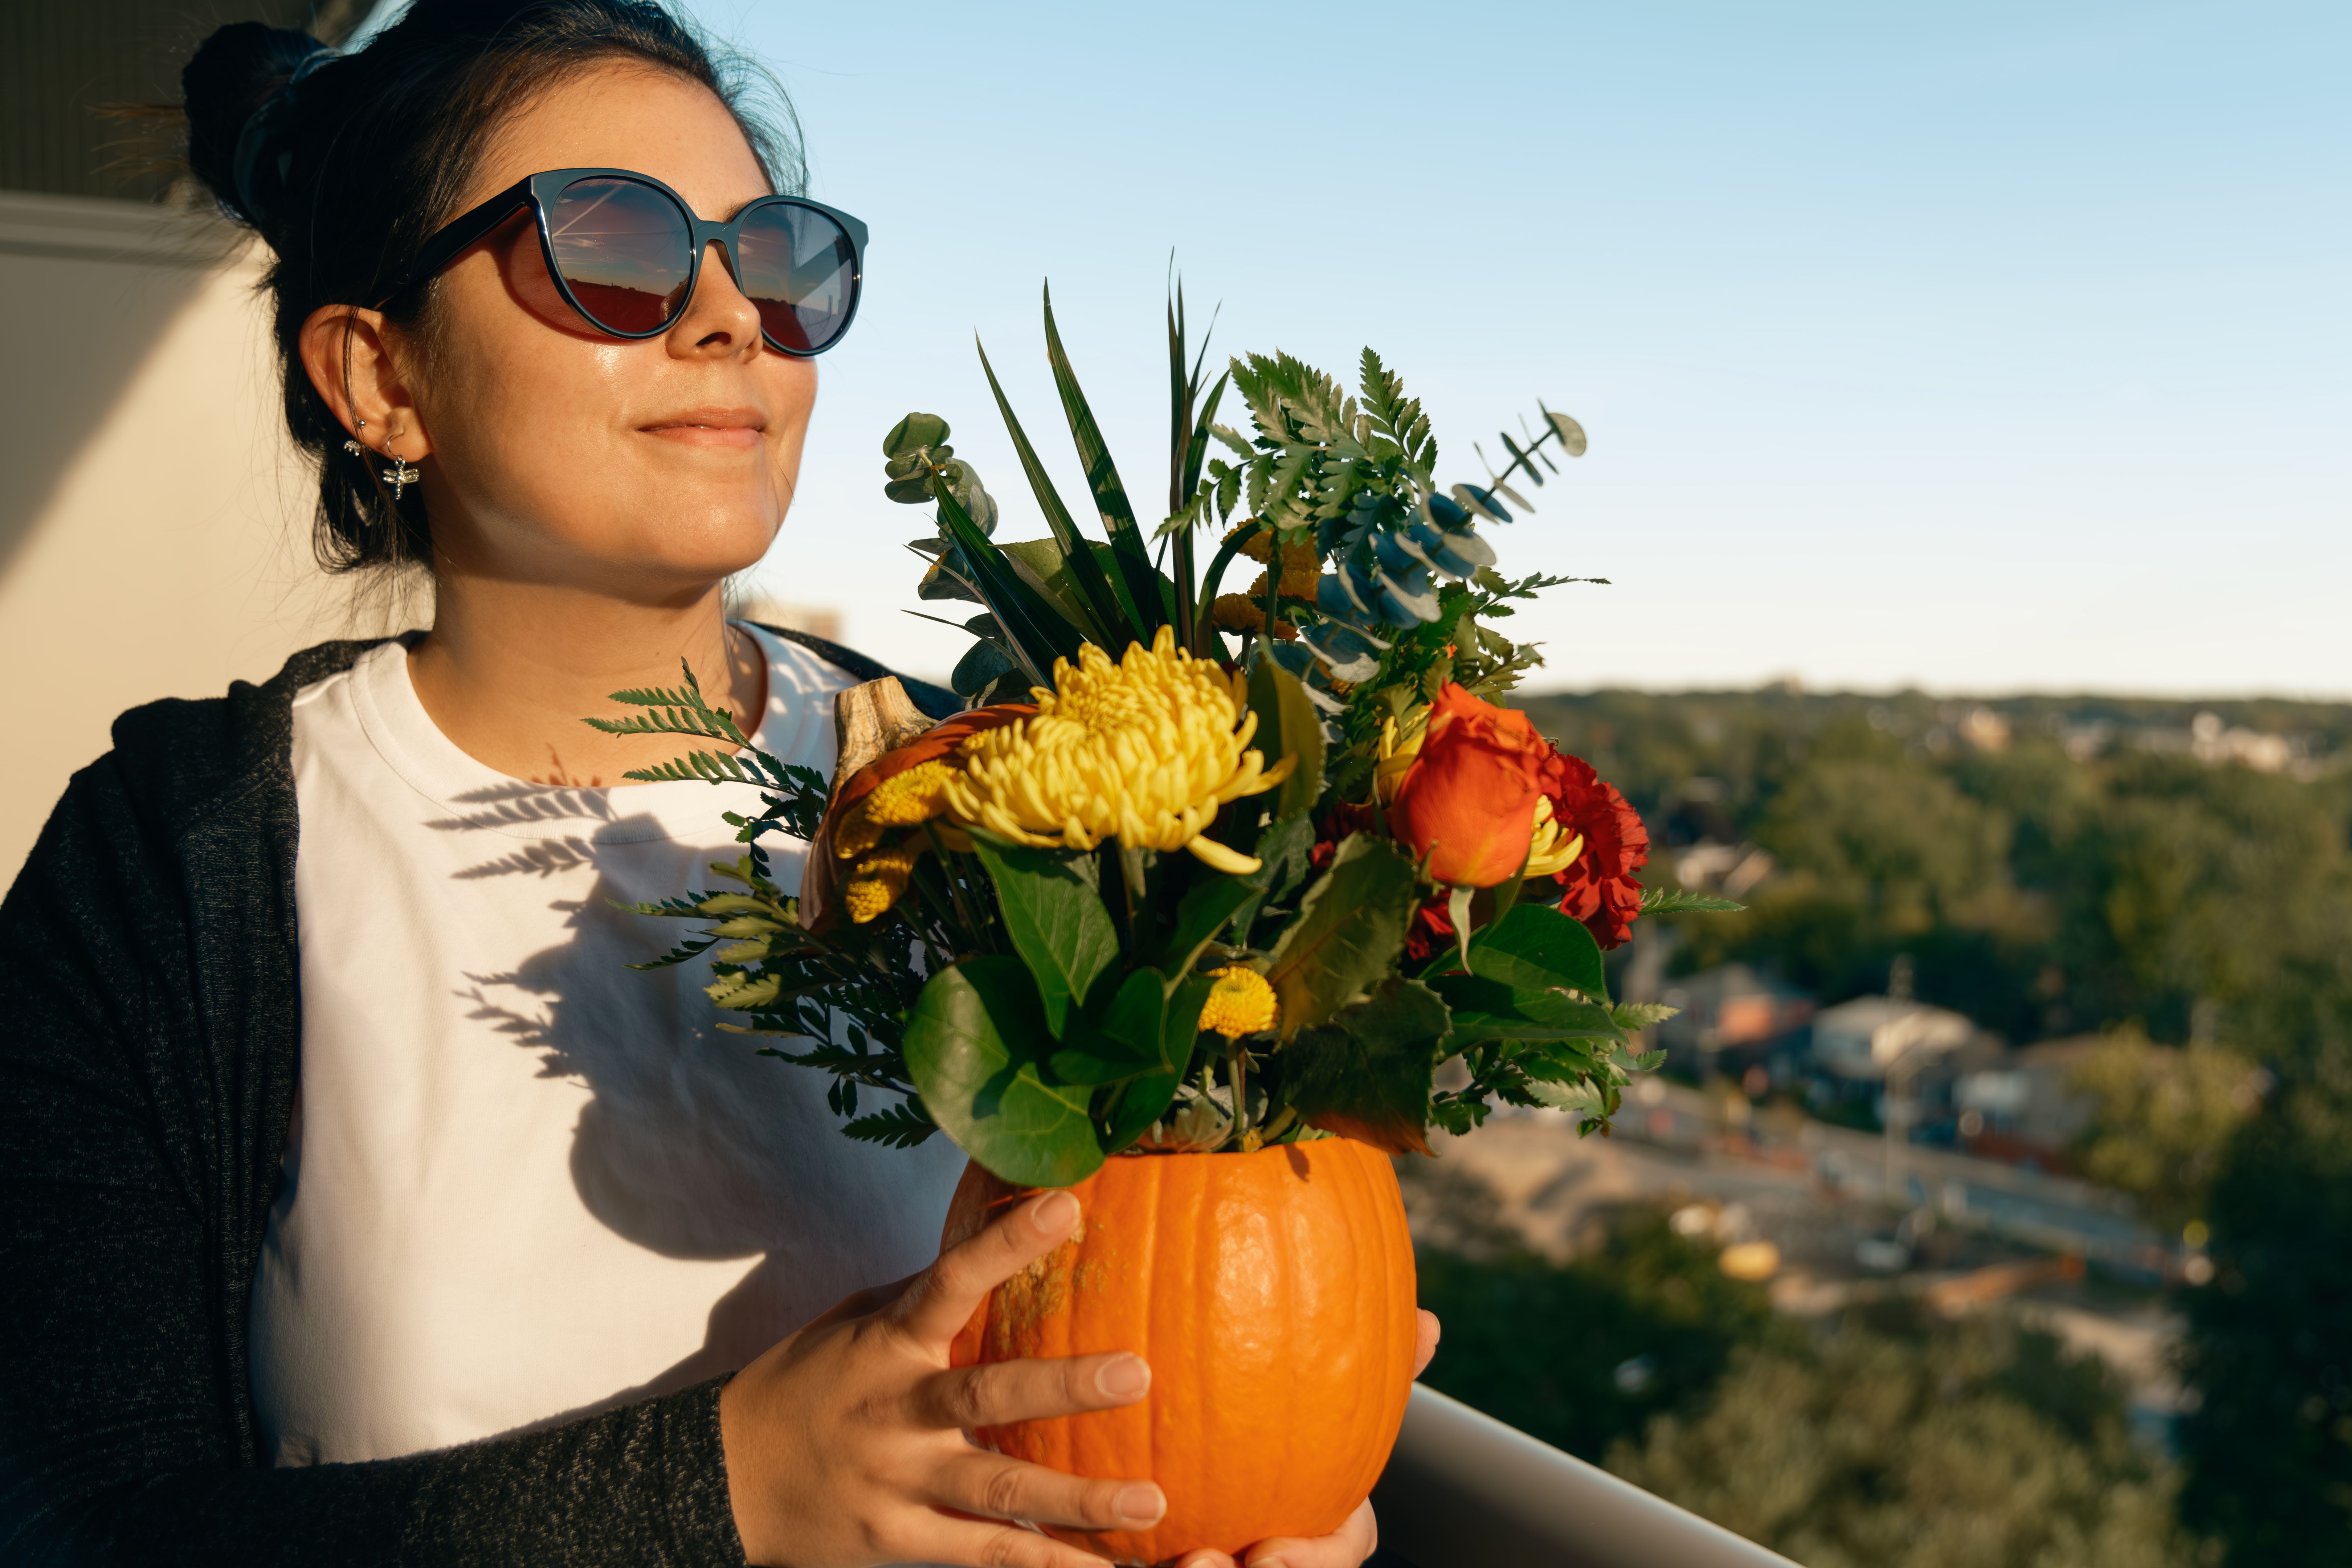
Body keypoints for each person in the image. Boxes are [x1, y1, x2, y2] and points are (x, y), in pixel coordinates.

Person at [0, 3, 1436, 1563]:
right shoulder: (178, 855)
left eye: (776, 258)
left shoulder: (1030, 792)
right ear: (379, 377)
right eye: (607, 249)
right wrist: (731, 1490)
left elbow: (1173, 1355)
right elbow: (80, 1520)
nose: (728, 318)